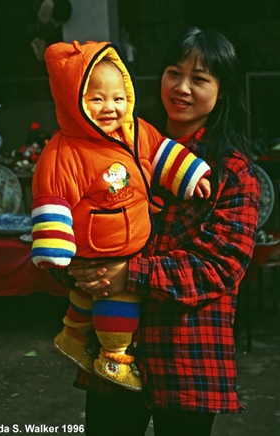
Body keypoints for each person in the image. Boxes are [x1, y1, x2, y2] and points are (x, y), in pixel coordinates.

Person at [65, 27, 260, 436]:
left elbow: (219, 266)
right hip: (116, 352)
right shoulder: (119, 151)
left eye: (200, 79)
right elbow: (81, 217)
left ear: (222, 91)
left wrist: (128, 273)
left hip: (189, 354)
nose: (182, 88)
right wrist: (76, 262)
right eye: (174, 72)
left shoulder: (234, 173)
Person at [31, 40, 212, 392]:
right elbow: (52, 195)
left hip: (126, 249)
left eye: (118, 98)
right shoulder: (64, 150)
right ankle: (115, 358)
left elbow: (161, 154)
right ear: (73, 101)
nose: (110, 107)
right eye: (96, 99)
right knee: (119, 297)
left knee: (91, 292)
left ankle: (71, 335)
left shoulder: (134, 131)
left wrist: (192, 175)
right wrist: (55, 249)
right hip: (102, 245)